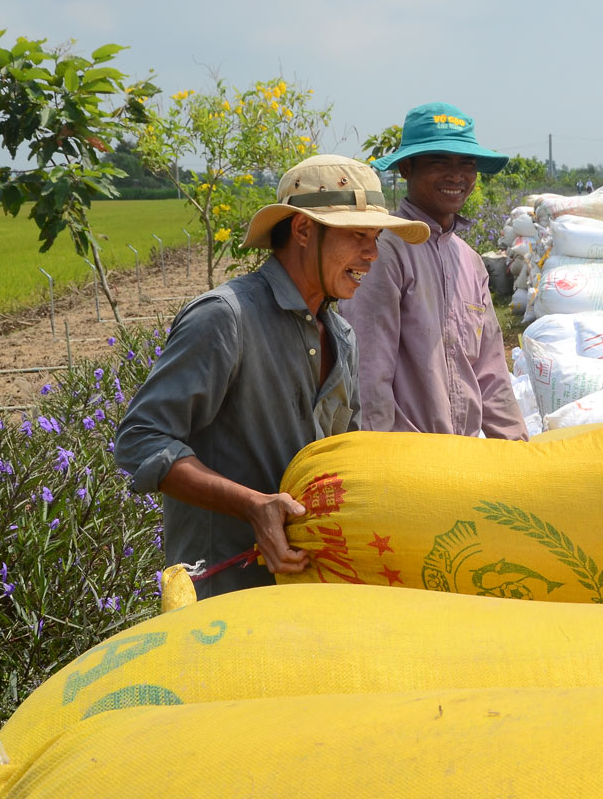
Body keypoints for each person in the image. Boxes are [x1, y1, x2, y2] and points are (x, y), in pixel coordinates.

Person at [115, 155, 429, 598]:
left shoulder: (342, 335)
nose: (372, 254)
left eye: (375, 237)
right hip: (223, 593)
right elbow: (141, 439)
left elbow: (341, 458)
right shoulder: (226, 318)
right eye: (357, 235)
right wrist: (253, 506)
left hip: (304, 590)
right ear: (303, 231)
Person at [342, 102, 527, 440]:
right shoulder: (383, 250)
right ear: (406, 169)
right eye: (439, 161)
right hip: (406, 459)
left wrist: (516, 450)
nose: (457, 175)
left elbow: (492, 372)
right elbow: (367, 371)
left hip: (463, 457)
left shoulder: (470, 261)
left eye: (466, 163)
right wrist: (375, 458)